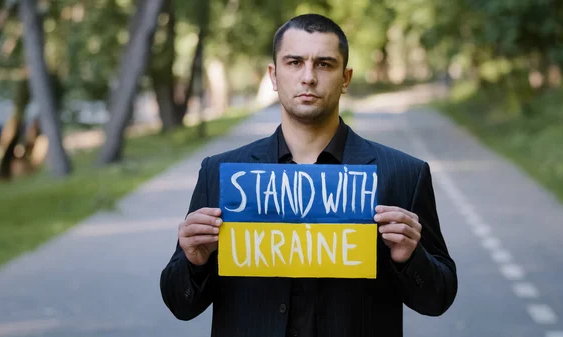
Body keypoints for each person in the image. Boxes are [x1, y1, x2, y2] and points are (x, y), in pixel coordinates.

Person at [160, 13, 457, 337]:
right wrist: (194, 261)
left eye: (324, 64)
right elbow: (181, 306)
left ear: (346, 77)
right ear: (273, 75)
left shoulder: (402, 174)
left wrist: (410, 257)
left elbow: (437, 299)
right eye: (294, 62)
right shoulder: (220, 174)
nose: (308, 77)